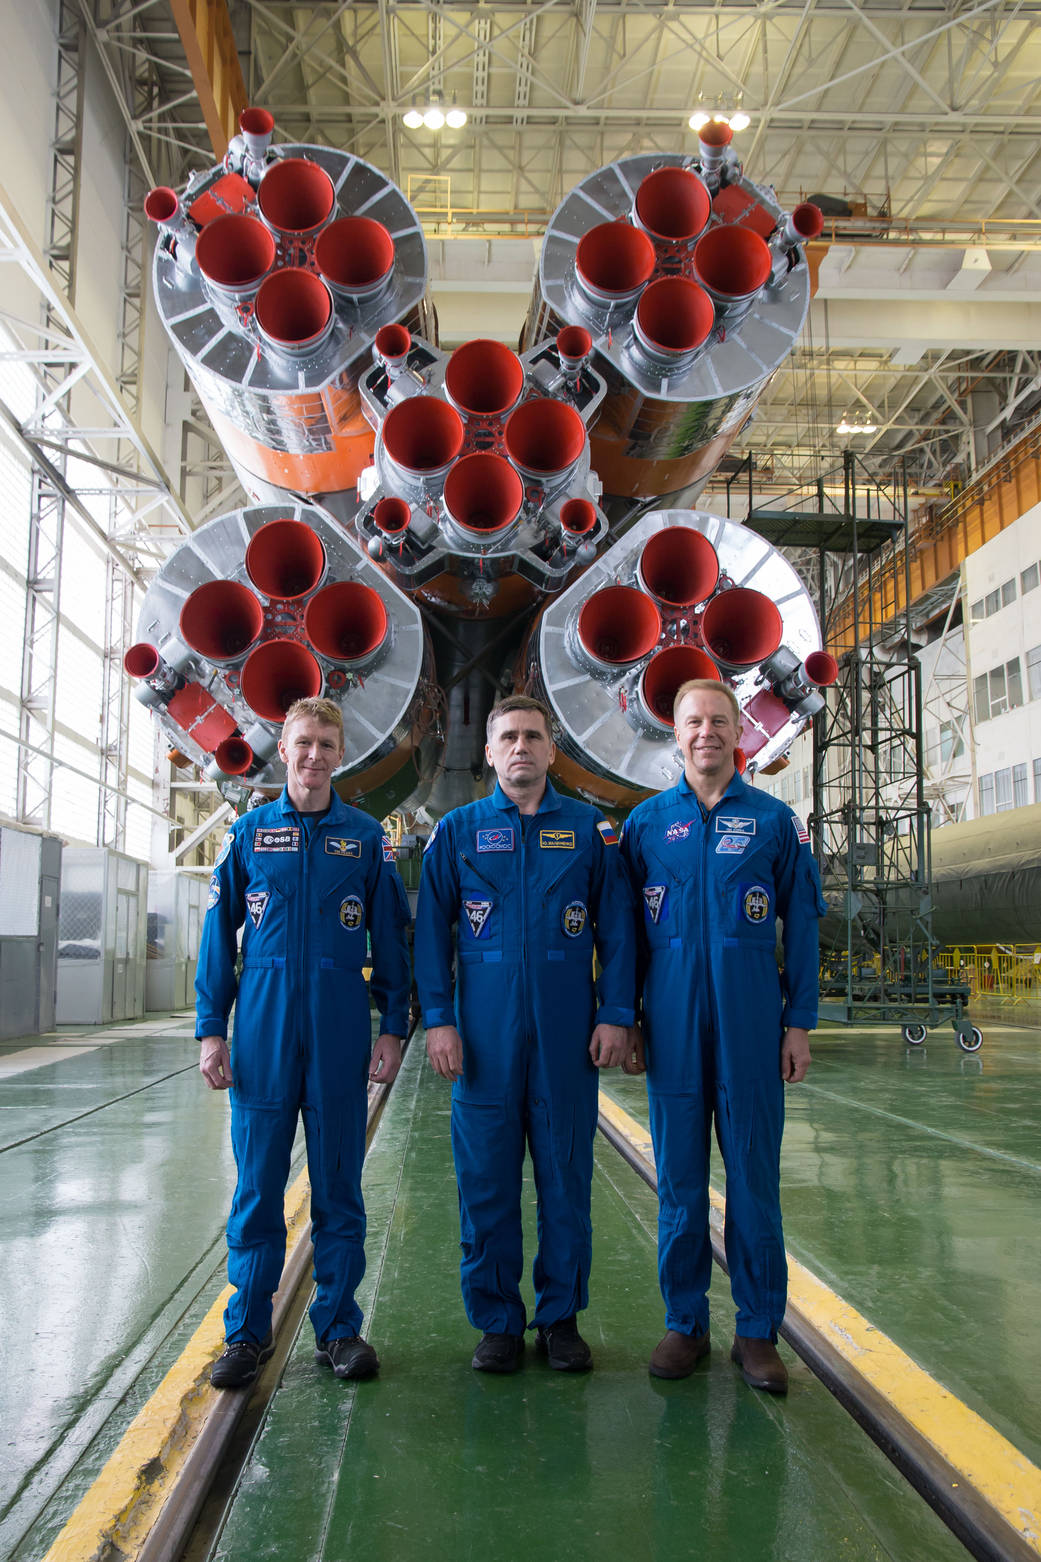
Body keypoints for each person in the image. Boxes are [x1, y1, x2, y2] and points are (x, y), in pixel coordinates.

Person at [414, 695, 637, 1374]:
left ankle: (560, 1320)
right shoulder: (455, 833)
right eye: (507, 737)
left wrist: (614, 1013)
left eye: (532, 737)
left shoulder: (590, 833)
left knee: (565, 1182)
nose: (520, 748)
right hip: (483, 1040)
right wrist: (440, 1019)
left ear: (550, 750)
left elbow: (618, 931)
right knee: (485, 1185)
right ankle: (497, 1323)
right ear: (488, 753)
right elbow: (430, 936)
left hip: (567, 1038)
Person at [196, 696, 411, 1389]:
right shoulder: (250, 835)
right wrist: (211, 1030)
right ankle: (246, 1335)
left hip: (340, 1026)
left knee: (339, 1187)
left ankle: (340, 1329)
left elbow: (392, 941)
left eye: (325, 743)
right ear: (281, 750)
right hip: (260, 1028)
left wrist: (394, 1026)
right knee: (257, 1189)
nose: (313, 755)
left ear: (338, 755)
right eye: (302, 743)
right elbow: (216, 938)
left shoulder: (364, 838)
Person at [621, 679, 825, 1393]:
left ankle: (755, 1331)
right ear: (672, 734)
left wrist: (797, 1021)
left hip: (748, 1023)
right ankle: (684, 1324)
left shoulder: (774, 822)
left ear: (736, 730)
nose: (705, 732)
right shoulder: (645, 826)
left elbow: (800, 927)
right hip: (672, 1025)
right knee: (678, 1183)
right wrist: (628, 1017)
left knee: (753, 1183)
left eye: (717, 720)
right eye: (692, 722)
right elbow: (624, 940)